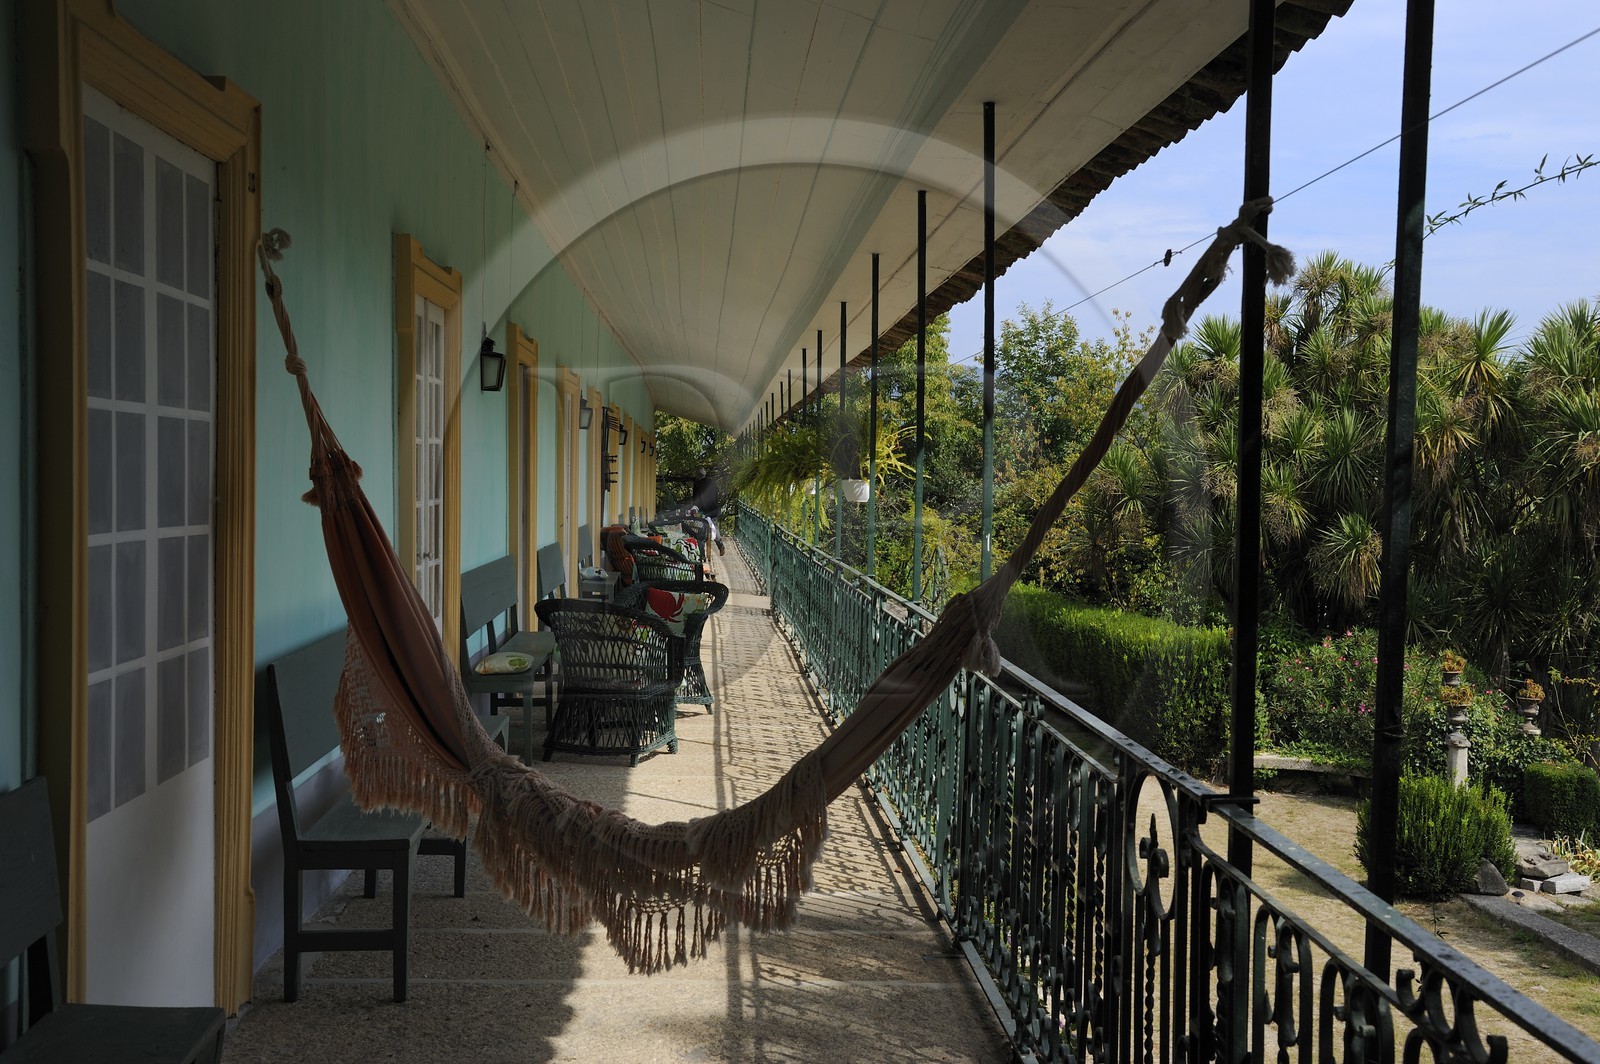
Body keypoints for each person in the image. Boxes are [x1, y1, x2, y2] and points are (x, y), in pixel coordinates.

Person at [690, 467, 726, 555]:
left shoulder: (697, 484)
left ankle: (702, 553)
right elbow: (717, 495)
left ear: (698, 475)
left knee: (700, 529)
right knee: (714, 527)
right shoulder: (712, 483)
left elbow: (696, 500)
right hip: (713, 509)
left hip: (703, 511)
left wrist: (695, 509)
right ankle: (720, 544)